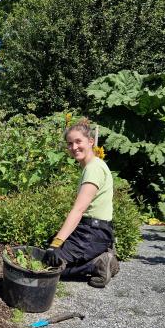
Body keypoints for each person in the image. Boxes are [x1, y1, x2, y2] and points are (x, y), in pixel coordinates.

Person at [43, 119, 119, 288]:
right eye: (70, 143)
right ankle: (98, 256)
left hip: (92, 232)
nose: (74, 147)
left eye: (78, 141)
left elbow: (78, 210)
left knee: (48, 266)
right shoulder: (93, 166)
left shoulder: (93, 168)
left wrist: (57, 243)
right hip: (93, 230)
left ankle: (99, 263)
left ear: (90, 142)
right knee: (48, 252)